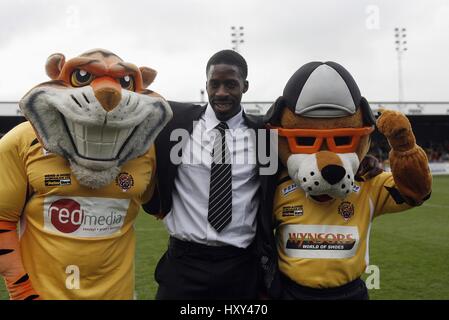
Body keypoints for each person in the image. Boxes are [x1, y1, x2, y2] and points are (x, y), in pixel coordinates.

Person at [143, 50, 382, 300]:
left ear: (245, 86)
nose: (222, 92)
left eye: (231, 84)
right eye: (214, 84)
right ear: (206, 85)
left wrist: (362, 160)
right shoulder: (175, 124)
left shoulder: (266, 137)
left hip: (241, 266)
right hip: (184, 264)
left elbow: (299, 162)